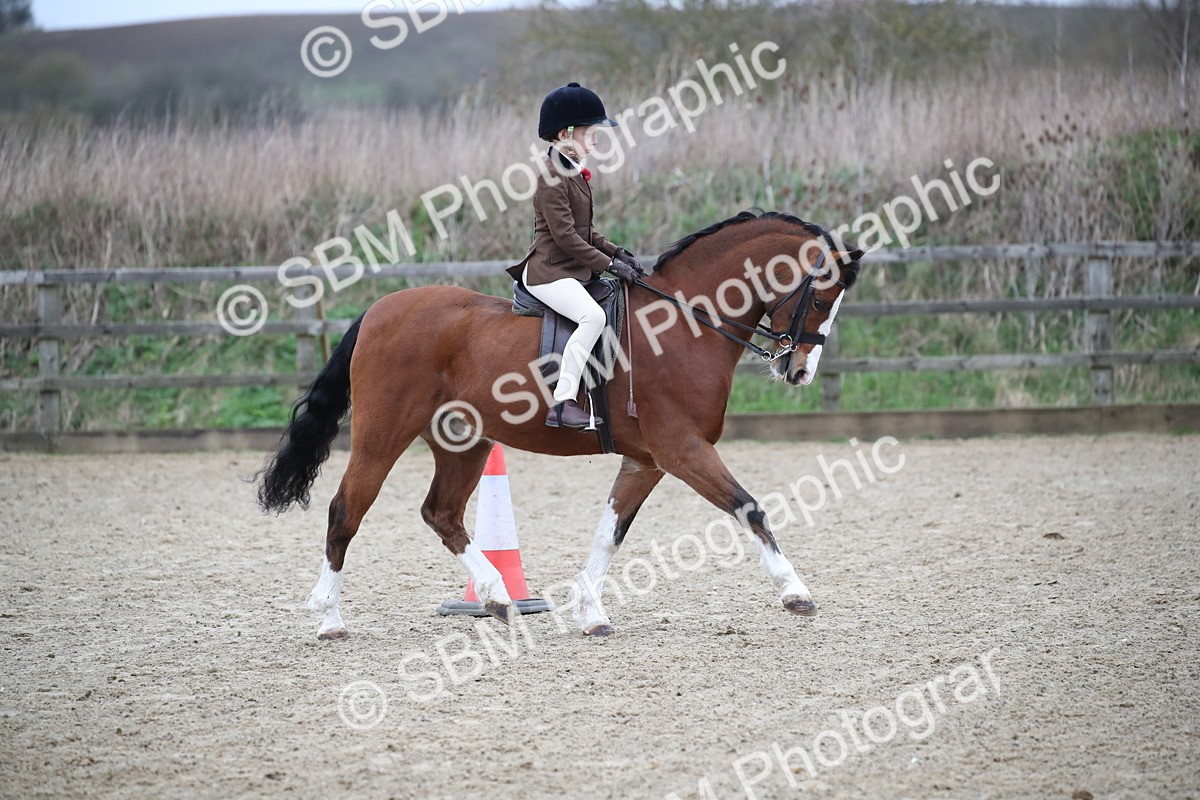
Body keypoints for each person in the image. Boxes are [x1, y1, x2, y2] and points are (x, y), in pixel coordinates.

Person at [507, 82, 645, 430]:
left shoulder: (571, 172)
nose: (596, 141)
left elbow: (584, 232)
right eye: (591, 133)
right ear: (567, 133)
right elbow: (566, 238)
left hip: (570, 269)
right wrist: (609, 266)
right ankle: (563, 401)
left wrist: (618, 253)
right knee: (593, 318)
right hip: (549, 272)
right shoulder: (551, 176)